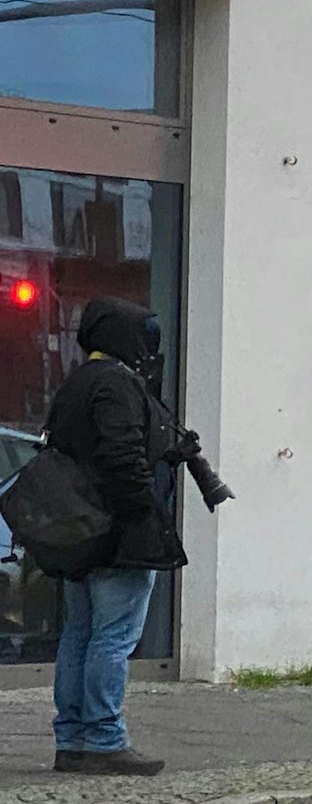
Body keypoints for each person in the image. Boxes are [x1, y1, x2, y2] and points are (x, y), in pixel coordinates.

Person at [46, 298, 186, 776]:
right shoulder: (117, 384)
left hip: (79, 531)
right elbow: (123, 456)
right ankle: (105, 739)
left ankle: (71, 740)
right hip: (119, 536)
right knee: (113, 638)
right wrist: (144, 514)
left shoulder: (77, 382)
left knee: (79, 635)